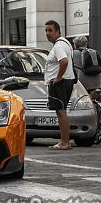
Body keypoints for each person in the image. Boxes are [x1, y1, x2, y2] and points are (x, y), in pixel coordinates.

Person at [44, 20, 76, 150]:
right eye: (46, 30)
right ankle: (64, 141)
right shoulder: (65, 44)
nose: (47, 33)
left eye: (50, 30)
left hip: (60, 83)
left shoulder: (59, 46)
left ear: (58, 32)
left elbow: (64, 61)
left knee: (61, 112)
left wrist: (57, 78)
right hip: (66, 81)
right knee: (61, 112)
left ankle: (64, 142)